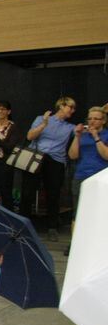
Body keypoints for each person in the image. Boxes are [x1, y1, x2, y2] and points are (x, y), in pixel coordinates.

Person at [20, 96, 76, 239]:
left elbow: (85, 130)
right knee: (27, 193)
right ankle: (23, 225)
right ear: (62, 106)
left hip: (56, 161)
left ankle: (52, 227)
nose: (73, 110)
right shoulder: (41, 118)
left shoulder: (70, 127)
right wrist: (44, 124)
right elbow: (30, 136)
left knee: (53, 194)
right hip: (37, 157)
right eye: (71, 107)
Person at [67, 107, 108, 253]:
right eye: (90, 118)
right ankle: (75, 244)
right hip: (81, 176)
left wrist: (96, 137)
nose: (92, 121)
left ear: (103, 120)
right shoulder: (82, 135)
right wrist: (77, 137)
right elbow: (72, 155)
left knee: (100, 212)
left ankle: (98, 244)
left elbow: (106, 156)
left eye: (96, 119)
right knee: (77, 212)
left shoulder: (106, 135)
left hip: (101, 178)